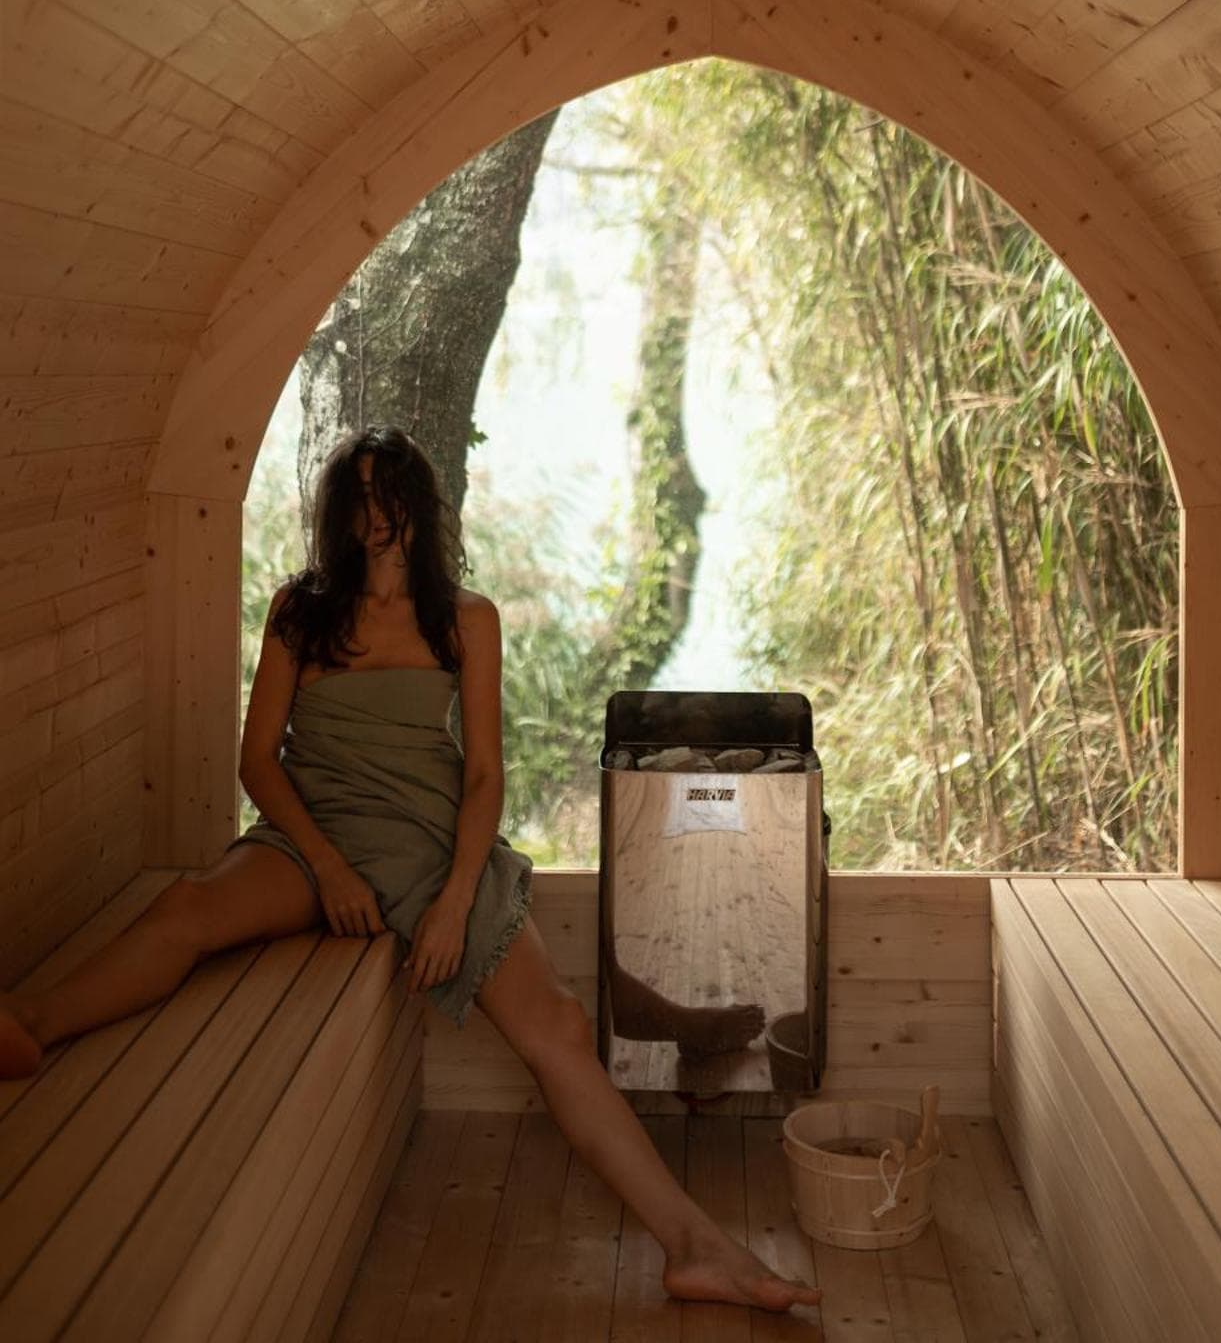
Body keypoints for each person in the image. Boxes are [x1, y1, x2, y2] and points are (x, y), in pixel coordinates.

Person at [0, 426, 821, 1314]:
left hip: (431, 841)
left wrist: (456, 899)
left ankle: (696, 1248)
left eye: (391, 493)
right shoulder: (301, 611)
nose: (378, 514)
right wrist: (328, 869)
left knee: (554, 1022)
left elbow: (484, 776)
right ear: (339, 513)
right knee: (189, 907)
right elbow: (258, 762)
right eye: (359, 496)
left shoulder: (465, 619)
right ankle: (29, 1022)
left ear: (420, 506)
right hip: (314, 835)